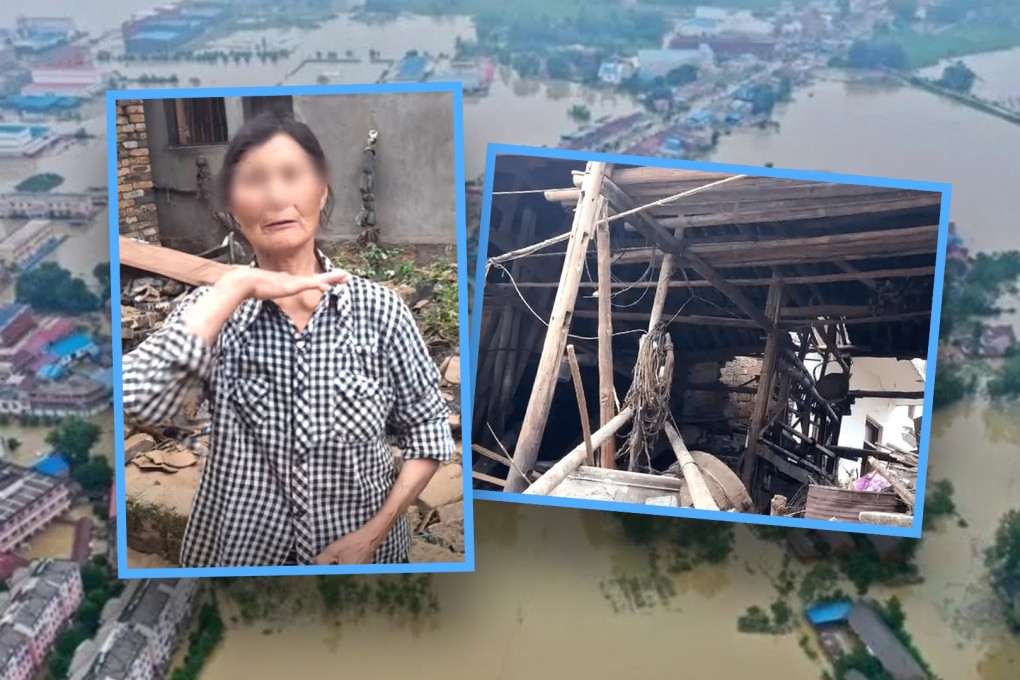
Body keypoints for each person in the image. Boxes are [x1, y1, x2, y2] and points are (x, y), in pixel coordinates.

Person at [122, 111, 455, 567]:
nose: (276, 195)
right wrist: (235, 288)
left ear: (321, 191)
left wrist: (373, 535)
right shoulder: (212, 313)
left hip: (362, 565)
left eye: (292, 175)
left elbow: (428, 432)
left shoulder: (380, 313)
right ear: (232, 207)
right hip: (242, 560)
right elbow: (132, 403)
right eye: (254, 180)